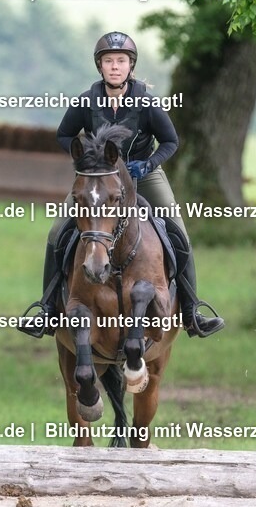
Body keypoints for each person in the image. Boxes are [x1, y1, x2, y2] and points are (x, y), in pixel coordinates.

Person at [18, 31, 223, 339]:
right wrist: (85, 160)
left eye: (121, 61)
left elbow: (171, 140)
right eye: (109, 61)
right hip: (99, 179)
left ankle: (192, 311)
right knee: (57, 231)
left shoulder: (145, 101)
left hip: (144, 175)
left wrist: (150, 163)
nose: (115, 66)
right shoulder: (87, 100)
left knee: (178, 229)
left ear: (131, 66)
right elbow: (64, 135)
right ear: (100, 66)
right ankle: (47, 309)